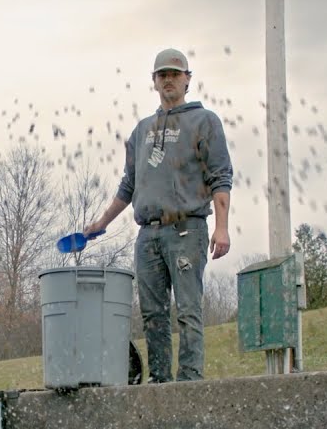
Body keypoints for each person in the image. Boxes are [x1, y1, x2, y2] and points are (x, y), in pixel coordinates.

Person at [84, 48, 232, 382]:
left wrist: (221, 228)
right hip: (147, 234)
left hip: (186, 229)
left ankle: (190, 380)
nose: (168, 80)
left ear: (187, 80)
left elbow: (220, 176)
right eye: (162, 75)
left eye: (175, 74)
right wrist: (101, 223)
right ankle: (160, 381)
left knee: (188, 310)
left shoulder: (204, 121)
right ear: (153, 81)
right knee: (153, 314)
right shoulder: (142, 131)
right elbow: (129, 184)